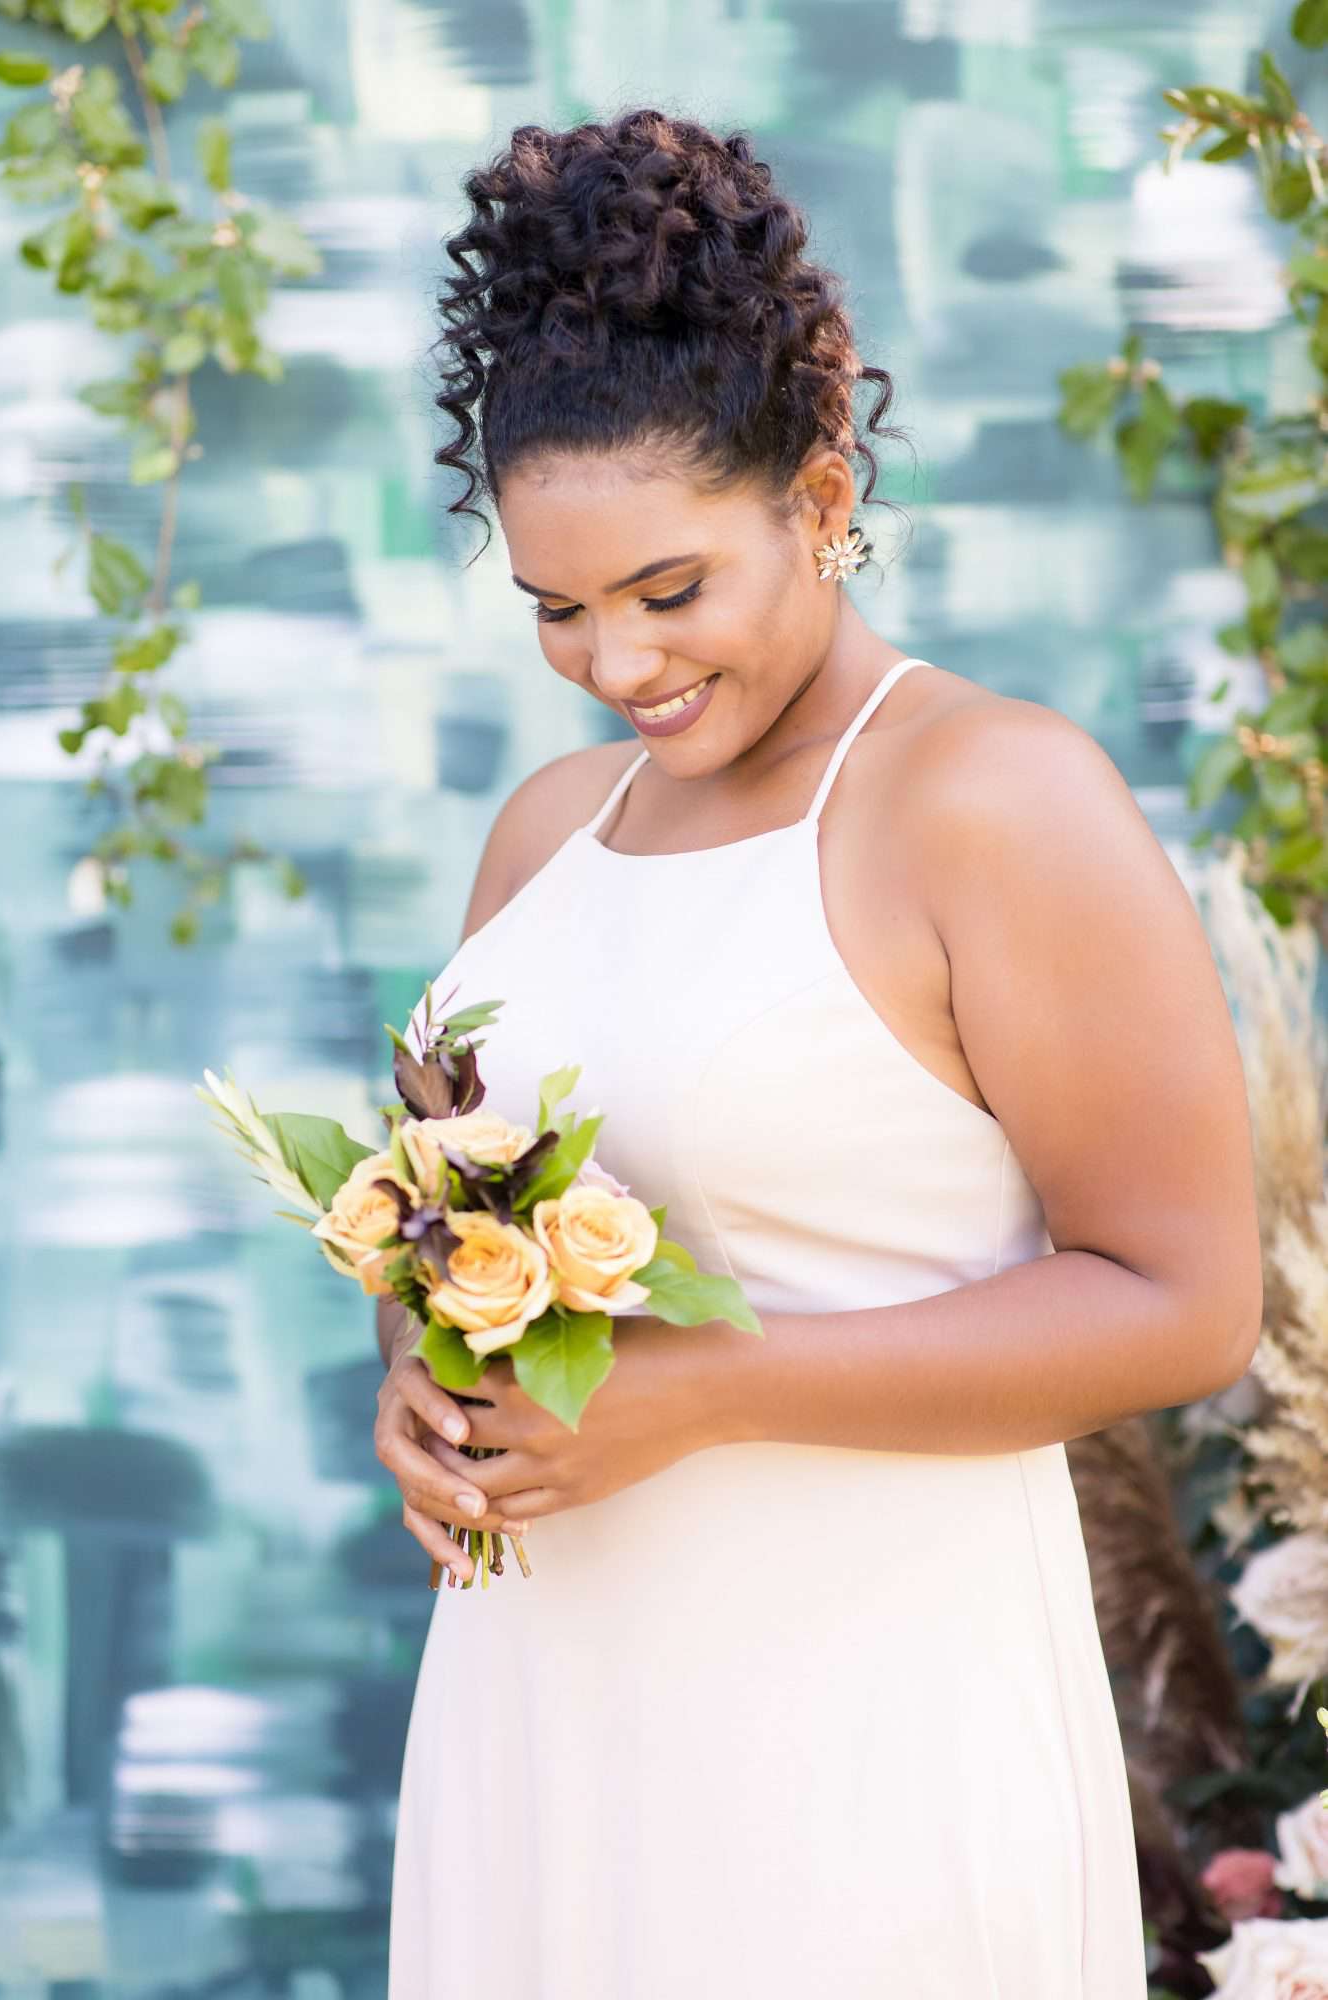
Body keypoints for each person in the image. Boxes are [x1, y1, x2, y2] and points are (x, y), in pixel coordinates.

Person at [375, 107, 1261, 1998]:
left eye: (669, 589)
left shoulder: (988, 799)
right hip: (539, 1716)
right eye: (556, 608)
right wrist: (424, 1390)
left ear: (821, 486)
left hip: (859, 1747)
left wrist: (703, 1388)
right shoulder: (546, 835)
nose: (616, 663)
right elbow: (456, 1226)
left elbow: (1184, 1306)